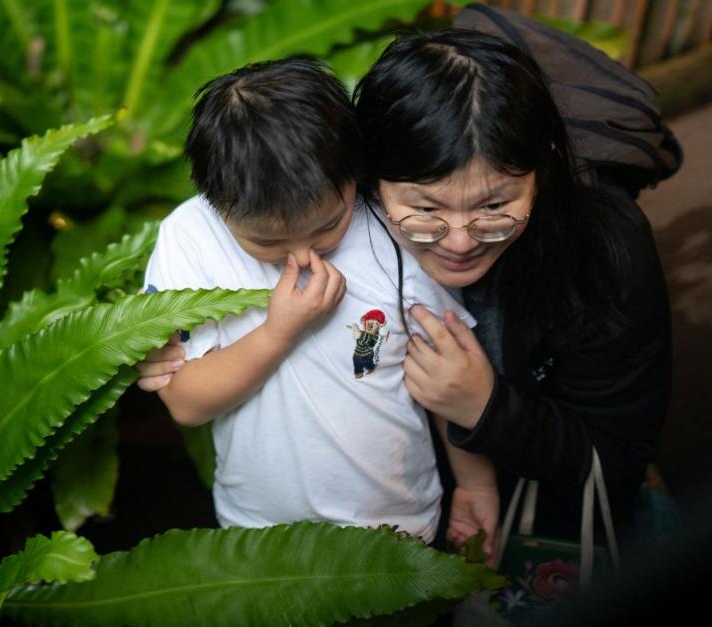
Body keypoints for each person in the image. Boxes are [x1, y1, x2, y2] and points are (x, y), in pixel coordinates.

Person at [140, 57, 498, 549]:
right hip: (259, 534)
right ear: (217, 205)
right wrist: (278, 332)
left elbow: (447, 375)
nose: (304, 257)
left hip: (396, 528)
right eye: (267, 242)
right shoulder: (191, 239)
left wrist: (476, 484)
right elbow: (186, 402)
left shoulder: (391, 232)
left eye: (329, 225)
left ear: (355, 176)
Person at [351, 29, 672, 550]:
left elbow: (619, 458)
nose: (459, 242)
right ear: (370, 180)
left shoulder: (605, 252)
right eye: (426, 208)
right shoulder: (334, 227)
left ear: (543, 167)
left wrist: (487, 408)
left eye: (495, 205)